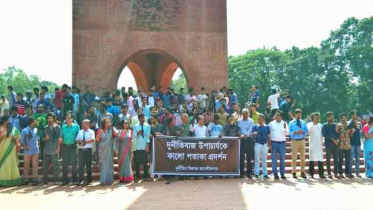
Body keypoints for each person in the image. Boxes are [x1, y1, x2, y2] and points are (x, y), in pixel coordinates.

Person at [0, 115, 21, 186]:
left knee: (11, 164)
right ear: (4, 121)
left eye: (10, 120)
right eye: (8, 120)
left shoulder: (15, 130)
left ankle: (12, 181)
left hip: (11, 150)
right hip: (1, 150)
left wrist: (15, 139)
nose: (10, 121)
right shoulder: (0, 129)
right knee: (3, 164)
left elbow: (18, 141)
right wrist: (4, 135)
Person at [96, 118, 117, 185]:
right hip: (102, 150)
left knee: (110, 165)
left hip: (109, 150)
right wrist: (99, 134)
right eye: (107, 122)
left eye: (109, 121)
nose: (109, 122)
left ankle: (110, 180)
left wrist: (113, 128)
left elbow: (116, 134)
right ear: (104, 123)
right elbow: (97, 140)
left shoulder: (111, 130)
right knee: (103, 165)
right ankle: (103, 181)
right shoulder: (100, 130)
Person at [269, 110, 289, 180]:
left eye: (278, 115)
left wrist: (284, 128)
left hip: (282, 144)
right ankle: (275, 174)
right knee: (274, 159)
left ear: (281, 116)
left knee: (282, 160)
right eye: (276, 115)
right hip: (274, 143)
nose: (276, 116)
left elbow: (288, 134)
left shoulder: (285, 123)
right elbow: (269, 134)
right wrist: (270, 145)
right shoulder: (271, 123)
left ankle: (282, 173)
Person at [61, 112, 80, 186]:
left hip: (73, 146)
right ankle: (65, 180)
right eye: (67, 118)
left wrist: (78, 146)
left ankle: (75, 180)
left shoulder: (76, 126)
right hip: (65, 147)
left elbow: (79, 137)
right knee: (64, 164)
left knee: (74, 164)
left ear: (72, 119)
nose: (68, 119)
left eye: (69, 118)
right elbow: (61, 136)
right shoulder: (63, 127)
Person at [289, 109, 308, 179]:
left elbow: (306, 131)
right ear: (295, 115)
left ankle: (302, 172)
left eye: (300, 114)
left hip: (302, 140)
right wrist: (295, 132)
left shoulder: (303, 122)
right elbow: (289, 132)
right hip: (294, 141)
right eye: (297, 114)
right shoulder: (291, 123)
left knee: (303, 157)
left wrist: (303, 132)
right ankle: (294, 171)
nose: (298, 115)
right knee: (294, 157)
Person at [42, 112, 61, 185]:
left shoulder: (57, 127)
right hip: (46, 150)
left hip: (54, 149)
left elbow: (60, 139)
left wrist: (58, 149)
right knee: (45, 166)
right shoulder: (45, 127)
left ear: (54, 119)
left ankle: (56, 181)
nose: (50, 120)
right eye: (48, 118)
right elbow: (42, 139)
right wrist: (45, 138)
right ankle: (45, 181)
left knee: (56, 166)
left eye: (51, 118)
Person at [75, 119, 95, 186]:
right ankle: (81, 180)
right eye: (82, 123)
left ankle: (89, 180)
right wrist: (79, 142)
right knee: (80, 166)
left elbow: (92, 139)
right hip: (80, 150)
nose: (83, 125)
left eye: (84, 123)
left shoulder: (91, 131)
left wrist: (85, 142)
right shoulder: (80, 131)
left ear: (88, 124)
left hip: (88, 150)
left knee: (88, 166)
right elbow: (77, 140)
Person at [20, 118, 39, 185]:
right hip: (27, 151)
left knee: (35, 165)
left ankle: (35, 179)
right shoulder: (24, 130)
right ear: (31, 123)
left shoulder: (36, 130)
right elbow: (22, 141)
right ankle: (25, 179)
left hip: (35, 150)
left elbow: (38, 138)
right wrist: (25, 147)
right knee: (26, 166)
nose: (35, 123)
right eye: (34, 121)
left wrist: (38, 145)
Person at [133, 114, 151, 181]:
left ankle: (145, 176)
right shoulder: (135, 126)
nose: (142, 119)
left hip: (144, 146)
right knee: (137, 162)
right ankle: (137, 176)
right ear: (138, 118)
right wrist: (138, 132)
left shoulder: (147, 126)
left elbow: (148, 137)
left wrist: (147, 146)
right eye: (140, 118)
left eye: (143, 117)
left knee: (145, 162)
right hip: (138, 146)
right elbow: (134, 136)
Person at [322, 112, 340, 179]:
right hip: (328, 145)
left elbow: (338, 135)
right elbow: (324, 134)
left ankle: (336, 173)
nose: (331, 117)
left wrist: (337, 131)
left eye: (331, 116)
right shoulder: (325, 125)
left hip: (336, 145)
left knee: (336, 159)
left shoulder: (336, 125)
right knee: (328, 160)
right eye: (329, 116)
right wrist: (333, 139)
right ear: (327, 117)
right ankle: (329, 173)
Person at [307, 112, 325, 179]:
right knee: (311, 159)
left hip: (319, 145)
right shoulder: (309, 124)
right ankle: (311, 174)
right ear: (312, 118)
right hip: (312, 144)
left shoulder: (320, 125)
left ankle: (321, 174)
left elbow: (322, 134)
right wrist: (313, 125)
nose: (316, 119)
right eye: (315, 118)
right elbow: (309, 132)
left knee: (320, 159)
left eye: (317, 118)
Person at [237, 108, 254, 178]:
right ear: (242, 114)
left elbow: (250, 129)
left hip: (249, 139)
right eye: (244, 114)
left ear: (248, 114)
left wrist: (245, 134)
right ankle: (241, 173)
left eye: (246, 114)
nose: (245, 115)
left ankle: (249, 173)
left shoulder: (251, 121)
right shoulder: (238, 121)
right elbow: (239, 129)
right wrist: (242, 135)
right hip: (242, 140)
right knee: (241, 157)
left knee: (249, 157)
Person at [252, 114, 270, 179]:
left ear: (263, 120)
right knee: (257, 159)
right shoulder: (255, 127)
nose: (258, 120)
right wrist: (254, 134)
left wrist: (269, 145)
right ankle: (256, 173)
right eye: (258, 119)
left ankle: (265, 173)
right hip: (257, 144)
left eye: (260, 119)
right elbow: (252, 135)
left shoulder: (267, 127)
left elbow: (268, 136)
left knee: (264, 159)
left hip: (265, 144)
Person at [337, 113, 353, 179]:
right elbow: (336, 133)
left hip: (348, 145)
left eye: (345, 117)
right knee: (340, 160)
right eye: (342, 117)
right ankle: (340, 173)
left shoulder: (349, 124)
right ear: (340, 118)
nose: (344, 118)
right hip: (340, 145)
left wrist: (351, 132)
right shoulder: (338, 125)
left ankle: (347, 173)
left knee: (348, 160)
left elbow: (351, 134)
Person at [348, 110, 362, 178]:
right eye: (354, 114)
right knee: (351, 159)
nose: (355, 116)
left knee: (357, 159)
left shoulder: (359, 123)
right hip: (351, 143)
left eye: (356, 114)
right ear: (352, 115)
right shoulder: (349, 123)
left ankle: (357, 173)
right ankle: (350, 173)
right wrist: (351, 132)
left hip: (358, 143)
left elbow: (360, 133)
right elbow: (348, 134)